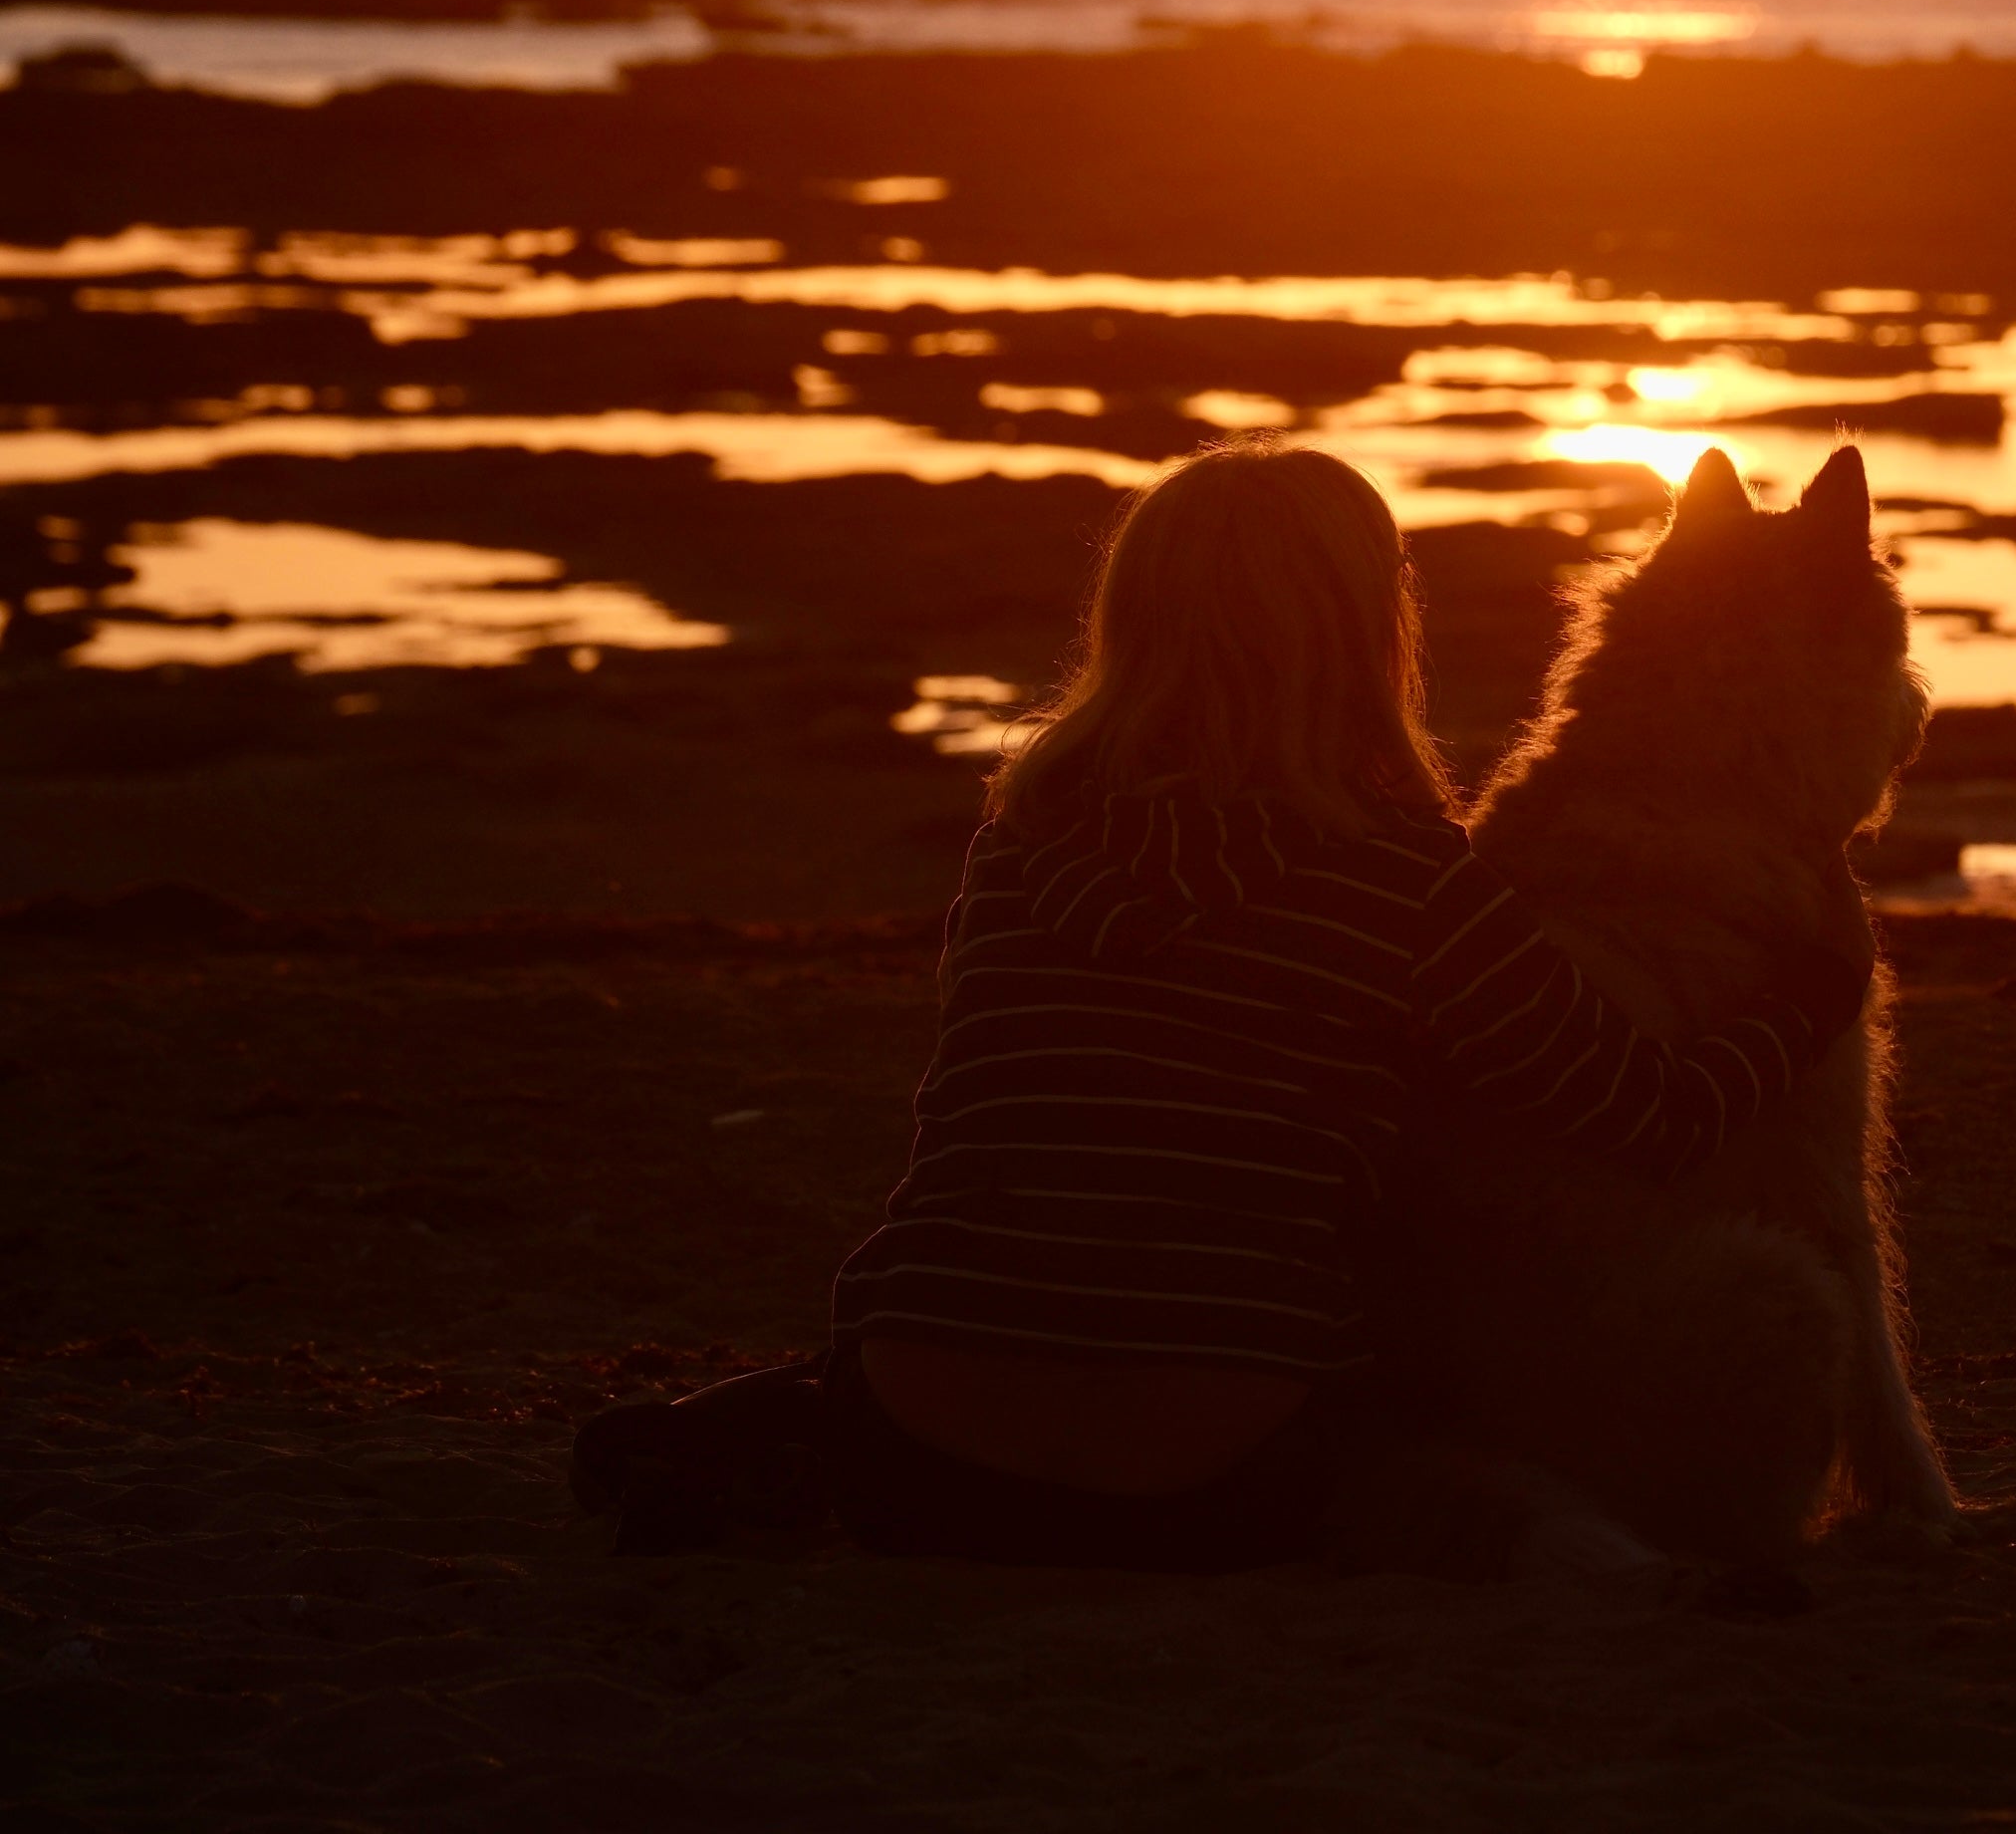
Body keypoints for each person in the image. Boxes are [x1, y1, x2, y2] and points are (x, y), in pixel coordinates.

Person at [574, 441, 1872, 1569]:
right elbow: (1645, 1114)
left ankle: (720, 1441)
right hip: (1214, 1480)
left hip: (913, 1457)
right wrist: (1813, 993)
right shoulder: (1406, 879)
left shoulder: (1024, 841)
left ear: (1133, 617)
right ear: (1369, 630)